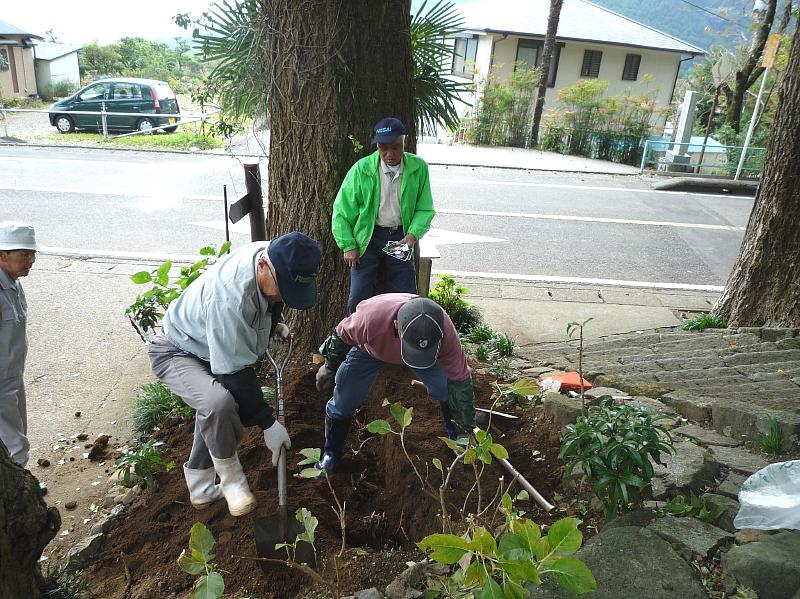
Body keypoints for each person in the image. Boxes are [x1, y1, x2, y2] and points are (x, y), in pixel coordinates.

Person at [147, 232, 321, 517]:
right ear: (264, 266)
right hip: (178, 349)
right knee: (219, 404)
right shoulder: (230, 299)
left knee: (217, 410)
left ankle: (201, 489)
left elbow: (272, 298)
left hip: (208, 342)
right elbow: (235, 373)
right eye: (283, 288)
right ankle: (232, 482)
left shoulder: (278, 257)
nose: (282, 296)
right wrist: (268, 424)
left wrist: (274, 322)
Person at [314, 293, 476, 474]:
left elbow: (460, 381)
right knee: (345, 398)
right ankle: (331, 454)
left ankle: (458, 438)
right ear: (397, 326)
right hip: (371, 352)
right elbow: (341, 335)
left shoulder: (445, 331)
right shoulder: (371, 316)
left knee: (446, 388)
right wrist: (329, 366)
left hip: (428, 358)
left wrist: (466, 426)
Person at [332, 117, 436, 315]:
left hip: (400, 238)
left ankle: (404, 341)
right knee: (359, 296)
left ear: (404, 141)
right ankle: (358, 342)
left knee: (407, 296)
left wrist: (412, 236)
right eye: (383, 147)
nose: (389, 154)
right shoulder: (362, 169)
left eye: (395, 147)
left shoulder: (417, 168)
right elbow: (341, 211)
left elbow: (425, 208)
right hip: (367, 239)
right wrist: (349, 245)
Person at [0, 221, 39, 468]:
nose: (31, 260)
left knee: (17, 432)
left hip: (13, 375)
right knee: (14, 445)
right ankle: (20, 497)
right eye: (24, 254)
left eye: (33, 253)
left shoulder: (13, 282)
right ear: (2, 255)